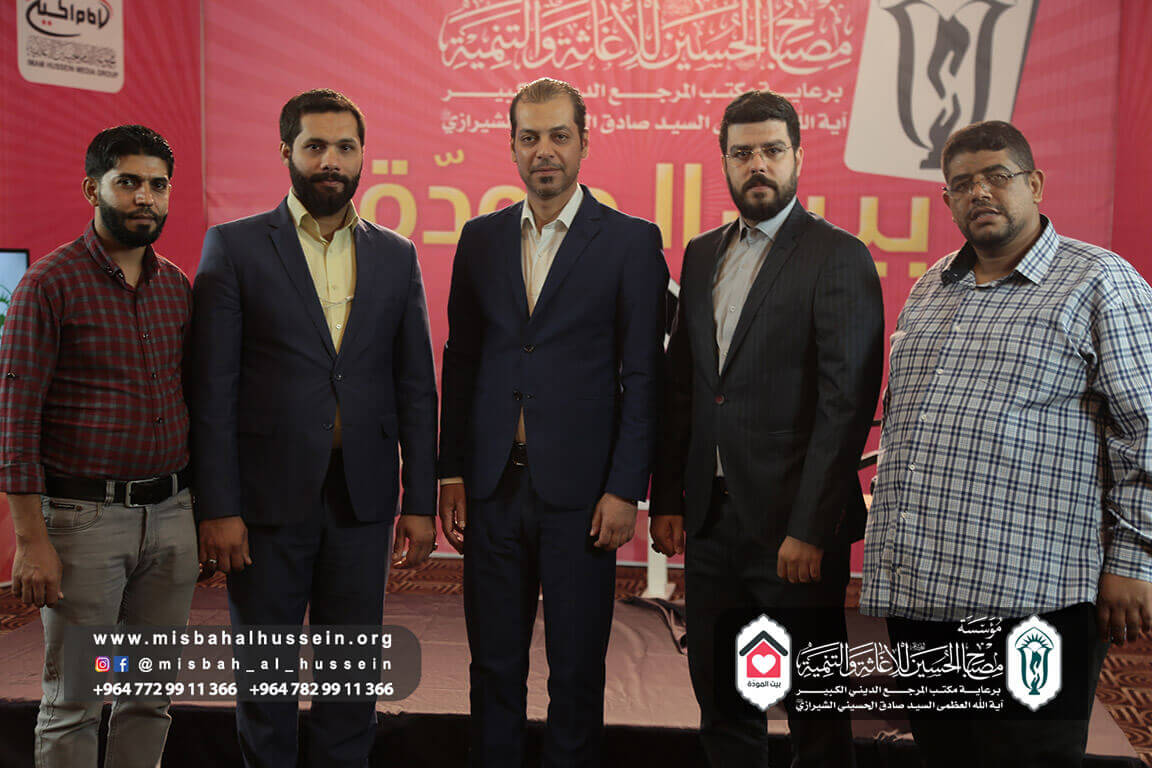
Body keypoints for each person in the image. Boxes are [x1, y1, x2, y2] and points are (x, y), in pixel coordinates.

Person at [861, 120, 1152, 767]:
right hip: (925, 591)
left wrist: (1135, 560)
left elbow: (1148, 429)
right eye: (962, 184)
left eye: (998, 176)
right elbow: (908, 418)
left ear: (1035, 184)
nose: (980, 193)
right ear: (947, 200)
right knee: (944, 756)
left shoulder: (1099, 281)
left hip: (1036, 597)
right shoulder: (933, 287)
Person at [187, 88, 438, 768]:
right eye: (316, 146)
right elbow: (213, 390)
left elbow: (416, 388)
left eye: (345, 147)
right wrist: (219, 507)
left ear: (362, 156)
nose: (332, 160)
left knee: (350, 678)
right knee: (265, 679)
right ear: (286, 152)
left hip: (362, 499)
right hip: (263, 505)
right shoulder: (235, 247)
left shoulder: (395, 254)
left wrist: (419, 501)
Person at [437, 77, 668, 766]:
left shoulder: (630, 242)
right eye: (530, 137)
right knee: (492, 669)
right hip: (492, 490)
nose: (545, 151)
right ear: (512, 146)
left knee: (575, 673)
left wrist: (626, 488)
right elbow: (462, 361)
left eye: (559, 136)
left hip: (585, 499)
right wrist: (451, 471)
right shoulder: (480, 239)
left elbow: (643, 377)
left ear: (584, 142)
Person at [650, 90, 884, 768]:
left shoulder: (837, 255)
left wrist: (810, 527)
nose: (758, 164)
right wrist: (668, 498)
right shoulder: (701, 255)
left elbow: (846, 403)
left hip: (793, 530)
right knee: (723, 698)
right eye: (742, 152)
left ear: (798, 157)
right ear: (724, 162)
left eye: (772, 150)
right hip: (712, 523)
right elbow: (685, 387)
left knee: (813, 707)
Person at [0, 125, 196, 768]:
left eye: (158, 185)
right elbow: (15, 422)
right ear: (93, 189)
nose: (145, 197)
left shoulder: (176, 287)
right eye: (128, 182)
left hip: (172, 516)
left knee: (149, 697)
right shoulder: (48, 284)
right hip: (82, 522)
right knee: (74, 701)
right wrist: (31, 540)